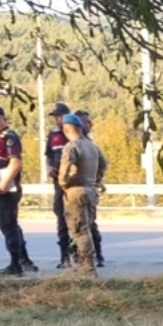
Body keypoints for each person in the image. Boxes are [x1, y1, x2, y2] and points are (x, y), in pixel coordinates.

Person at [0, 105, 32, 277]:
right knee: (8, 225)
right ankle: (18, 261)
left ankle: (16, 264)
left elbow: (15, 163)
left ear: (4, 118)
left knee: (8, 225)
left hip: (7, 190)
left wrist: (3, 185)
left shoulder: (9, 137)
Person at [58, 112, 108, 274]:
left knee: (80, 231)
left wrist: (63, 182)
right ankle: (85, 263)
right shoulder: (92, 146)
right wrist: (97, 180)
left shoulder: (72, 146)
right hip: (91, 190)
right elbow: (104, 163)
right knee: (88, 227)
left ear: (66, 129)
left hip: (75, 190)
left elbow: (65, 166)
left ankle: (87, 267)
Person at [74, 109, 105, 264]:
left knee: (85, 224)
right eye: (87, 121)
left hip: (83, 188)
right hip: (82, 188)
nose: (90, 124)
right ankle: (81, 256)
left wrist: (98, 180)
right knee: (79, 225)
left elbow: (102, 163)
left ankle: (92, 256)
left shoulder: (86, 143)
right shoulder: (78, 142)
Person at [45, 101, 73, 268]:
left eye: (60, 116)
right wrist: (49, 168)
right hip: (58, 183)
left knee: (78, 220)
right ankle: (64, 256)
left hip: (74, 183)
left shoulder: (77, 132)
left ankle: (85, 255)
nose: (57, 120)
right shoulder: (53, 134)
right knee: (61, 218)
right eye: (55, 117)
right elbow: (48, 155)